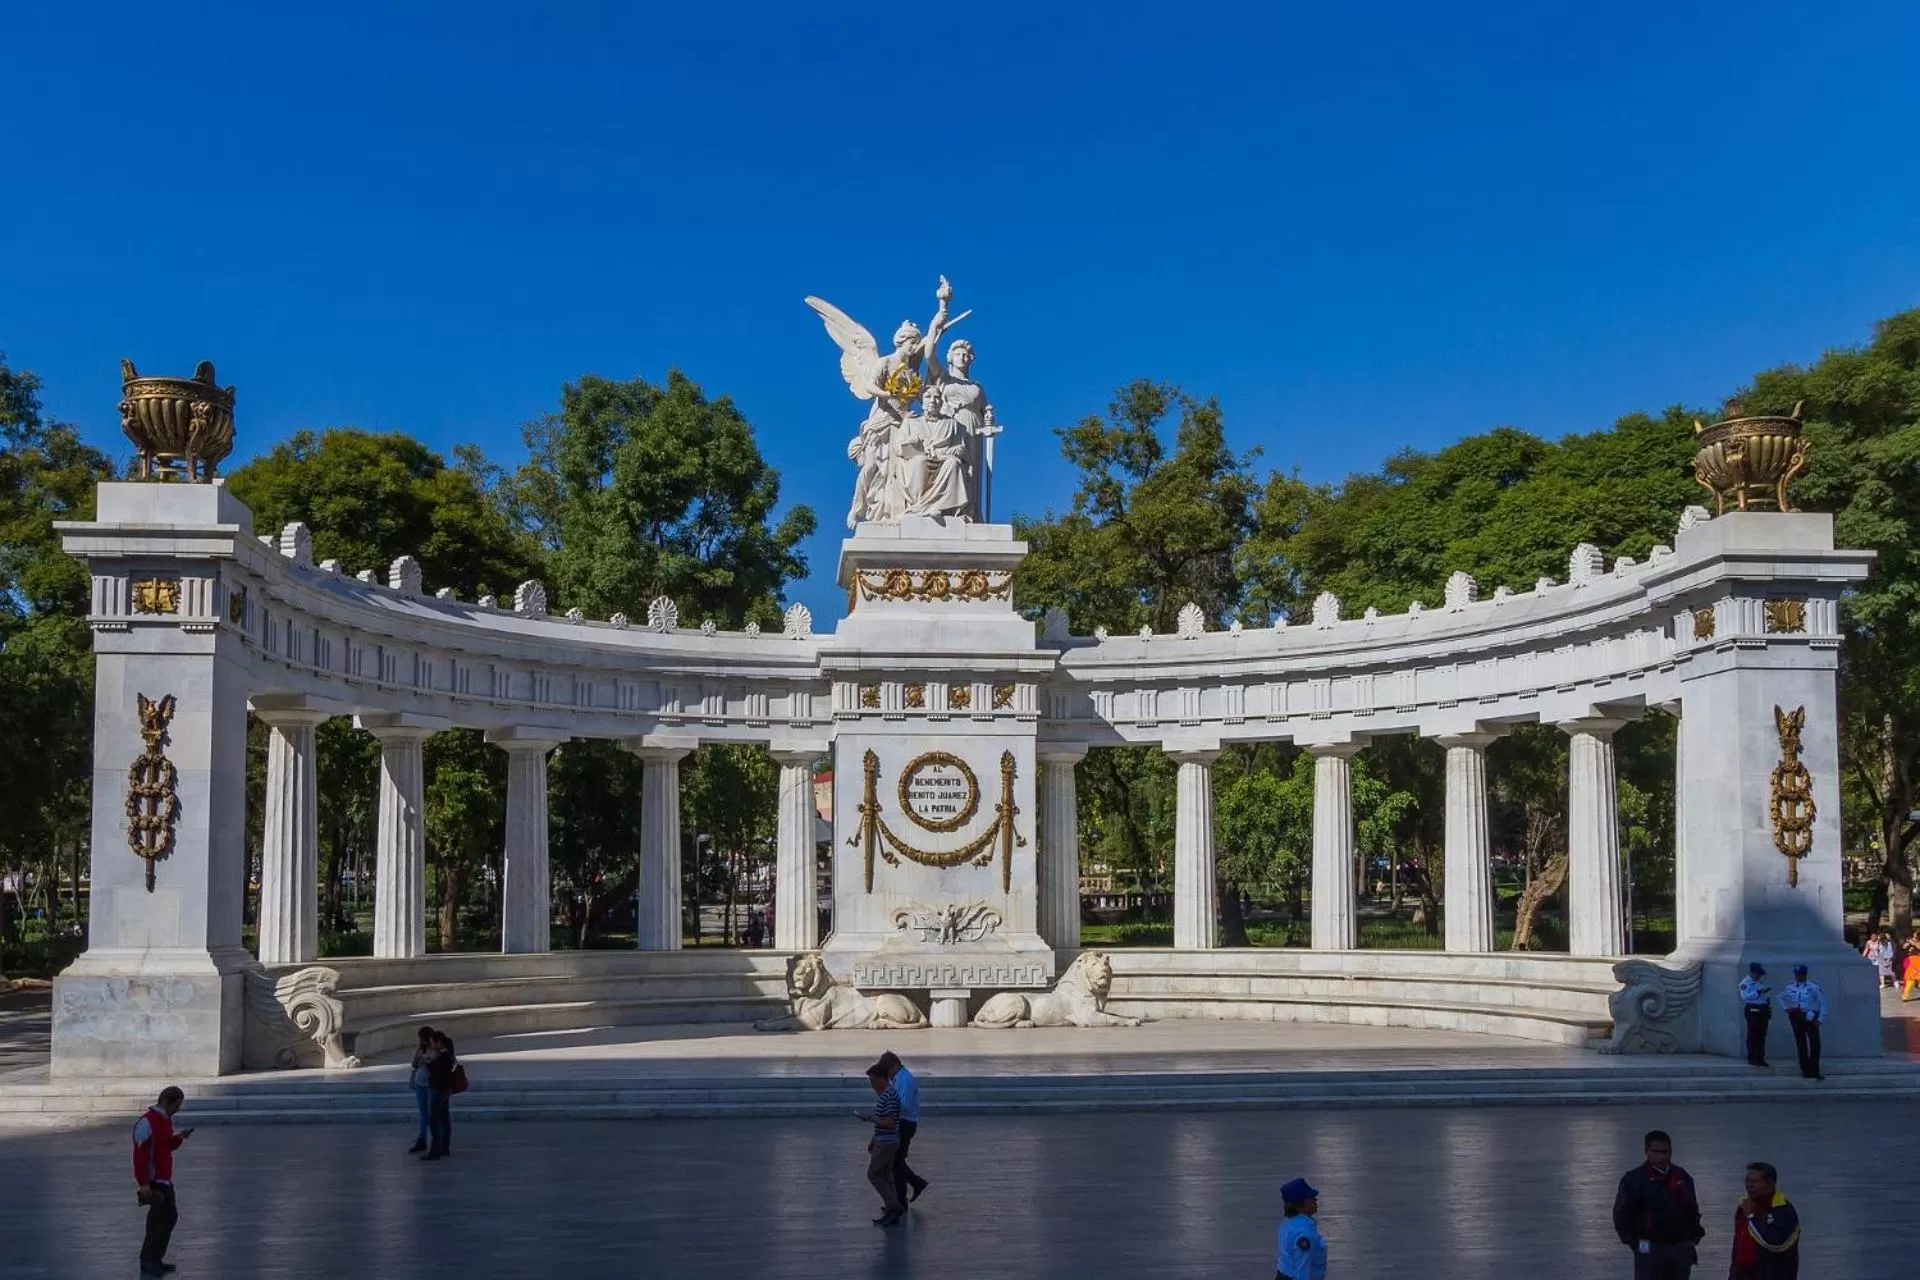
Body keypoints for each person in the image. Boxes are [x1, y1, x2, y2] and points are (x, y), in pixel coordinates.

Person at [1611, 1129, 1704, 1278]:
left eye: (1665, 1151)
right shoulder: (1633, 1180)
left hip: (1680, 1245)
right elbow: (1621, 1214)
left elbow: (1692, 1208)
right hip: (1647, 1244)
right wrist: (1634, 1243)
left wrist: (1693, 1237)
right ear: (1647, 1152)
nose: (1662, 1156)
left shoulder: (1682, 1176)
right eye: (1656, 1151)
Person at [132, 1085, 193, 1278]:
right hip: (154, 1180)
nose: (177, 1109)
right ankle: (148, 1261)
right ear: (166, 1101)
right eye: (176, 1105)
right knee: (160, 1221)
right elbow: (140, 1155)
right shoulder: (147, 1122)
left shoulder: (166, 1121)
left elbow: (166, 1146)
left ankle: (155, 1259)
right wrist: (143, 1183)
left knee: (167, 1219)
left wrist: (180, 1138)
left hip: (165, 1179)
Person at [1728, 1161, 1799, 1279]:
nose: (1749, 1185)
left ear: (1770, 1183)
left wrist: (1751, 1216)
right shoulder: (1744, 1206)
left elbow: (1776, 1244)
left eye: (1755, 1181)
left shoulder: (1783, 1211)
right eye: (1747, 1180)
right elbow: (1739, 1245)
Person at [876, 1051, 929, 1208]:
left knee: (895, 1162)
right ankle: (903, 1196)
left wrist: (887, 1112)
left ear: (894, 1066)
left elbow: (903, 1106)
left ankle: (905, 1194)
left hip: (905, 1124)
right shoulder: (899, 1079)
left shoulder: (905, 1080)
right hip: (901, 1122)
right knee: (896, 1162)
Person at [854, 1063, 903, 1227]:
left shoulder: (888, 1096)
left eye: (874, 1081)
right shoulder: (887, 1094)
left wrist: (870, 1118)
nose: (872, 1085)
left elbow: (889, 1122)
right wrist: (874, 1139)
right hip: (885, 1140)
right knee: (886, 1176)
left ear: (883, 1079)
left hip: (886, 1142)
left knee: (874, 1174)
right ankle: (892, 1210)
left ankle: (893, 1207)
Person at [1779, 965, 1827, 1081]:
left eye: (1800, 974)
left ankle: (1814, 1070)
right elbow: (1780, 997)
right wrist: (1787, 1008)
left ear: (1805, 974)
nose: (1798, 976)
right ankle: (1805, 1070)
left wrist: (1820, 1019)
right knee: (1801, 1044)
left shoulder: (1813, 987)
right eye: (1796, 974)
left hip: (1810, 1016)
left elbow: (1823, 1003)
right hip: (1796, 1016)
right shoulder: (1790, 987)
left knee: (1815, 1044)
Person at [1275, 1176, 1327, 1280]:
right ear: (1301, 1203)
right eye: (1311, 1198)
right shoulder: (1303, 1233)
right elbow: (1302, 1269)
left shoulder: (1288, 1222)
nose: (1315, 1200)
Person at [423, 1030, 458, 1161]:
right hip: (445, 1090)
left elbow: (438, 1074)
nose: (432, 1045)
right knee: (444, 1119)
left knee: (434, 1121)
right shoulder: (447, 1055)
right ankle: (444, 1148)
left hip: (439, 1090)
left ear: (439, 1042)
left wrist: (428, 1063)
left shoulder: (444, 1056)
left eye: (433, 1043)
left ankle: (435, 1150)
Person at [408, 1025, 436, 1153]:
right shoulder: (421, 1049)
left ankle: (436, 1140)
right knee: (423, 1113)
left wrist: (429, 1062)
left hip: (431, 1085)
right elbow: (414, 1064)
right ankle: (422, 1139)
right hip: (420, 1083)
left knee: (433, 1114)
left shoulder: (437, 1049)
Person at [1739, 963, 1772, 1068]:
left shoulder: (1760, 981)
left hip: (1763, 1010)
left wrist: (1767, 1002)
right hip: (1753, 1010)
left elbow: (1764, 995)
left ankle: (1760, 1058)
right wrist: (1757, 992)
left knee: (1762, 1035)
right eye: (1757, 974)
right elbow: (1745, 997)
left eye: (1760, 975)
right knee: (1753, 1034)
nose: (1759, 977)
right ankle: (1752, 1057)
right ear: (1752, 973)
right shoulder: (1745, 983)